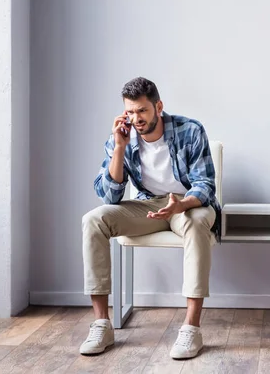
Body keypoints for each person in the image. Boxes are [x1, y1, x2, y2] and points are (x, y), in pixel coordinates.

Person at [80, 77, 221, 359]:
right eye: (130, 112)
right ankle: (101, 324)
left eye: (142, 111)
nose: (136, 119)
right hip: (149, 206)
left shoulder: (189, 129)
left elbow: (205, 184)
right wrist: (119, 147)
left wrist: (179, 207)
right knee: (94, 219)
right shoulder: (122, 136)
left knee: (195, 224)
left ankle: (191, 329)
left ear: (158, 106)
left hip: (187, 205)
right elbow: (109, 197)